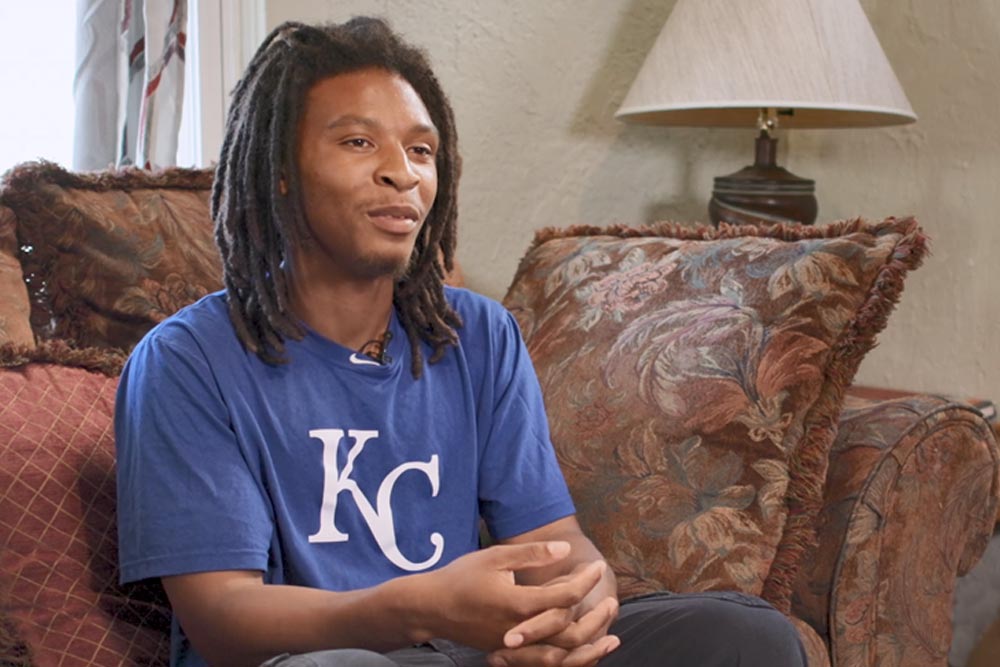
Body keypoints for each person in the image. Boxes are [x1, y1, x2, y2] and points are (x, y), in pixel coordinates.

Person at [114, 17, 808, 667]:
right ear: (279, 171)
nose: (402, 172)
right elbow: (221, 615)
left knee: (746, 636)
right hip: (329, 656)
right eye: (359, 142)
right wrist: (414, 607)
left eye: (421, 149)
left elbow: (556, 546)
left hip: (472, 653)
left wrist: (572, 615)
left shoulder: (477, 334)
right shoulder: (186, 361)